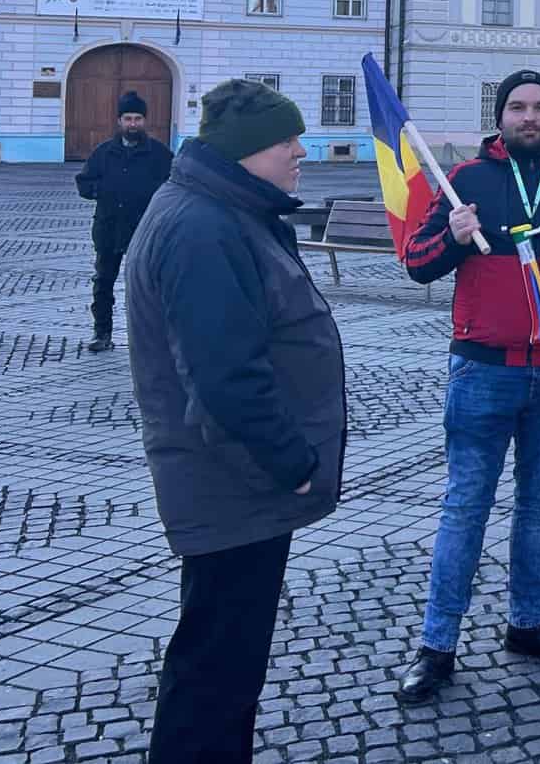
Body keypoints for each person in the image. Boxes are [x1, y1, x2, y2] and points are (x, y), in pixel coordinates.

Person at [126, 79, 346, 764]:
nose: (300, 151)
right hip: (234, 487)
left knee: (224, 664)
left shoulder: (224, 211)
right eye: (288, 140)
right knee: (215, 672)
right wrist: (294, 466)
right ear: (248, 149)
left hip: (234, 488)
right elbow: (224, 381)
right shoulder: (202, 227)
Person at [394, 69, 540, 706]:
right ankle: (436, 644)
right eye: (519, 107)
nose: (530, 117)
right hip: (483, 370)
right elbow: (416, 265)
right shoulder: (465, 182)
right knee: (466, 506)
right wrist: (453, 235)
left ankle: (528, 623)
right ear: (500, 117)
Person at [75, 91, 175, 351]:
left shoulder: (160, 155)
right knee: (103, 282)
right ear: (119, 121)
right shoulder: (104, 152)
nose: (133, 124)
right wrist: (103, 191)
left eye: (138, 118)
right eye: (128, 118)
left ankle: (149, 338)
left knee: (147, 286)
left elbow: (174, 187)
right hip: (108, 228)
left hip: (144, 230)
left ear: (145, 121)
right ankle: (102, 333)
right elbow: (84, 183)